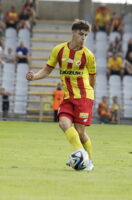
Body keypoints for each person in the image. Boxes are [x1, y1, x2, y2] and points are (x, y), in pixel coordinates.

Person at [26, 19, 96, 171]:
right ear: (73, 33)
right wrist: (34, 76)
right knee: (63, 124)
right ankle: (81, 154)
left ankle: (89, 161)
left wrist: (88, 96)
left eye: (86, 35)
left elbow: (92, 78)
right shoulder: (59, 50)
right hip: (68, 97)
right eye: (81, 34)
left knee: (80, 131)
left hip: (84, 96)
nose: (83, 38)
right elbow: (47, 70)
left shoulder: (88, 55)